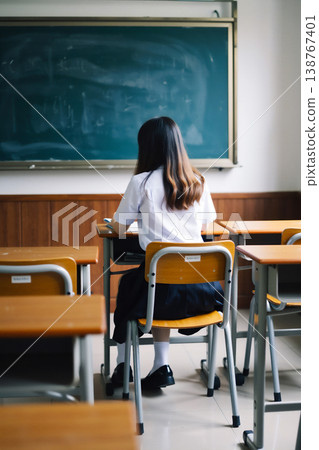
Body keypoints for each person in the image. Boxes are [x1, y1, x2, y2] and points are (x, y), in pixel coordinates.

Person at [110, 116, 224, 390]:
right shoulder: (198, 181)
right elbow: (208, 224)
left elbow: (118, 226)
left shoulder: (141, 182)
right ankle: (161, 365)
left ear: (146, 147)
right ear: (177, 145)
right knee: (156, 282)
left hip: (159, 292)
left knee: (131, 286)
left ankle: (123, 365)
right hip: (205, 292)